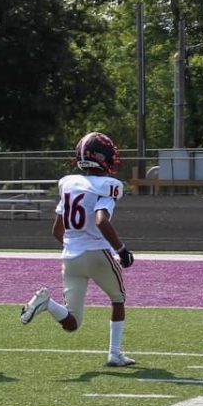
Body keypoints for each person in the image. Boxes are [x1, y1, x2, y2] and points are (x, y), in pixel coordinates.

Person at [19, 131, 136, 367]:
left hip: (70, 257)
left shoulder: (68, 184)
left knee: (72, 322)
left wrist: (75, 244)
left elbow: (57, 230)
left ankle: (47, 303)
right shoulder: (108, 186)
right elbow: (102, 220)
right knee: (118, 299)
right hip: (98, 253)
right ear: (104, 158)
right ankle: (114, 354)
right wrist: (122, 250)